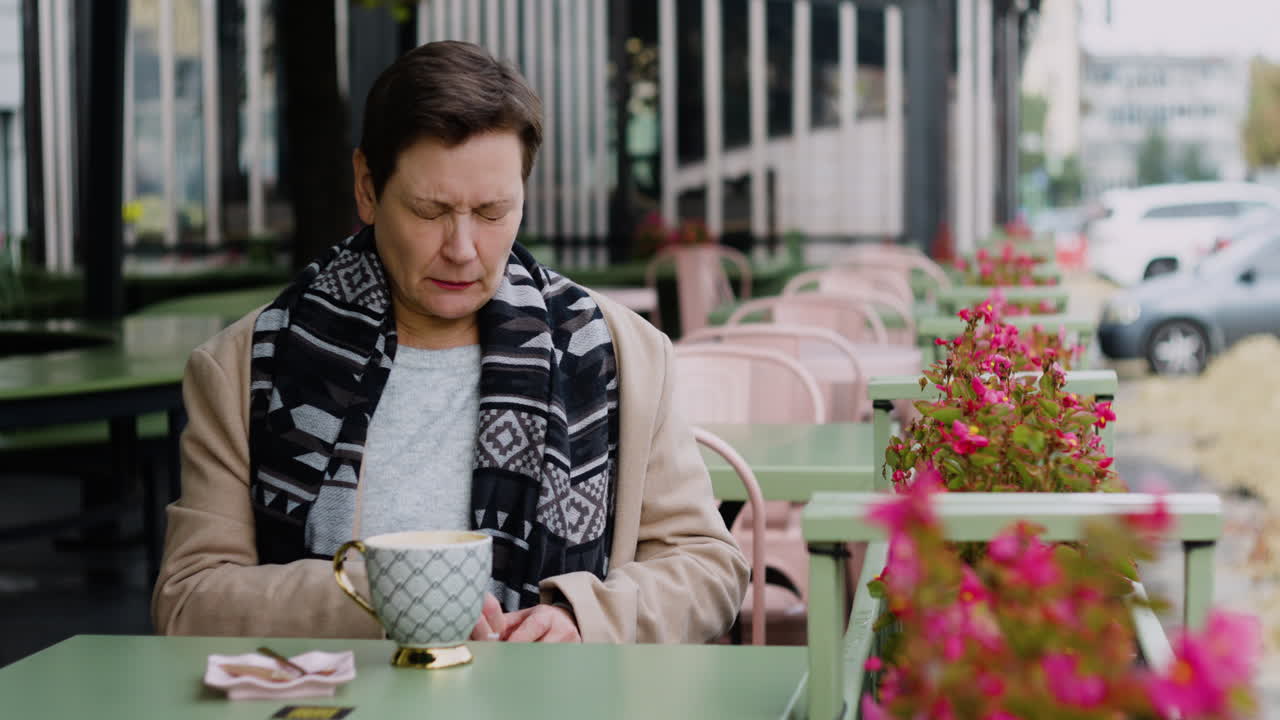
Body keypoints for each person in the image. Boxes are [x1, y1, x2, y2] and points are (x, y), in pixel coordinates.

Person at [151, 41, 748, 644]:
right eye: (429, 210)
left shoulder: (620, 354)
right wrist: (382, 599)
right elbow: (189, 599)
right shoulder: (249, 363)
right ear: (366, 187)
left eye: (492, 212)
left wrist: (583, 620)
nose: (462, 249)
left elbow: (707, 566)